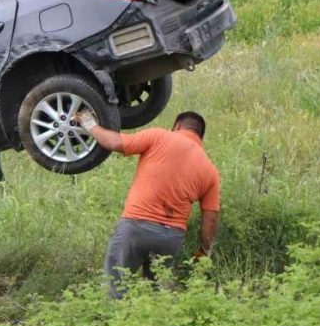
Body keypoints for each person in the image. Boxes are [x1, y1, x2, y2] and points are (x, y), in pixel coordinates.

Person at [75, 109, 220, 297]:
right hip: (171, 238)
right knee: (155, 294)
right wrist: (204, 251)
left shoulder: (159, 136)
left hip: (136, 227)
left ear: (177, 126)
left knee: (115, 288)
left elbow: (115, 142)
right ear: (200, 136)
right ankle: (152, 325)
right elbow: (210, 221)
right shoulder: (210, 170)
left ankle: (111, 321)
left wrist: (89, 124)